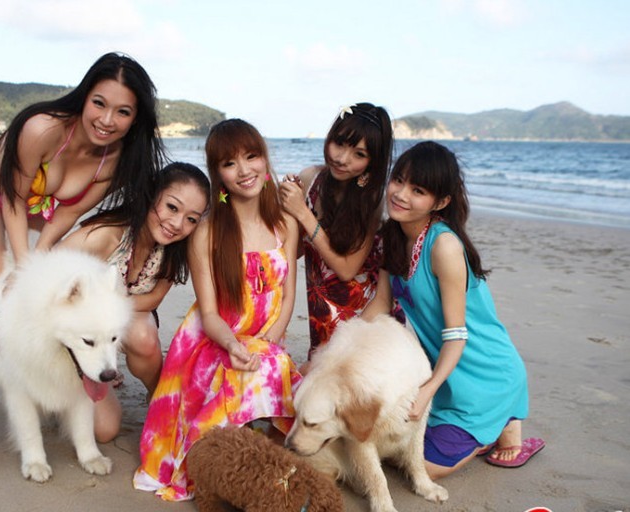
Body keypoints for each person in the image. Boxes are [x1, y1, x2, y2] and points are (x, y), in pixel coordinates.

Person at [0, 52, 164, 476]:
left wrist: (37, 259)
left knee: (30, 284)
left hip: (39, 209)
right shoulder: (43, 128)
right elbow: (12, 198)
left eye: (123, 111)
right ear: (84, 96)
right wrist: (22, 273)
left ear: (136, 118)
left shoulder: (113, 159)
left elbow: (64, 215)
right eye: (99, 103)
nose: (107, 119)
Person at [133, 119, 302, 501]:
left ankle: (261, 450)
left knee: (279, 372)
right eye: (229, 163)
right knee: (251, 373)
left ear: (264, 158)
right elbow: (209, 315)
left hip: (265, 339)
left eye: (251, 156)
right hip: (214, 342)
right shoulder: (207, 231)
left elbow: (289, 295)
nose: (244, 170)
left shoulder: (285, 223)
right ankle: (228, 457)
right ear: (218, 174)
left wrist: (270, 341)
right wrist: (233, 345)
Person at [362, 141, 545, 479]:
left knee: (421, 466)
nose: (401, 194)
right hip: (445, 374)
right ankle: (492, 426)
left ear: (441, 202)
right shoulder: (392, 235)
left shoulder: (444, 245)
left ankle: (491, 431)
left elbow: (457, 335)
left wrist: (426, 391)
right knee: (389, 444)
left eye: (418, 190)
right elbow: (381, 304)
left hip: (486, 373)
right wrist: (339, 349)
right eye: (398, 180)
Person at [59, 162, 211, 440]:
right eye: (172, 207)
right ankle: (77, 377)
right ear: (151, 195)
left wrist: (112, 312)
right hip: (75, 335)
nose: (177, 224)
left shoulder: (173, 250)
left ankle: (160, 399)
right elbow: (48, 267)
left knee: (143, 337)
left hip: (119, 325)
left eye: (191, 219)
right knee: (104, 431)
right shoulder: (106, 236)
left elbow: (153, 298)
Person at [279, 102, 393, 363]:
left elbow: (346, 269)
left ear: (373, 161)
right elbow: (293, 252)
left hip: (362, 320)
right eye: (339, 143)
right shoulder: (311, 179)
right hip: (321, 313)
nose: (342, 158)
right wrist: (284, 208)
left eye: (359, 154)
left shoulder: (372, 200)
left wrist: (303, 213)